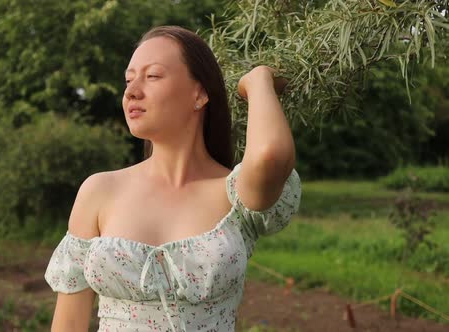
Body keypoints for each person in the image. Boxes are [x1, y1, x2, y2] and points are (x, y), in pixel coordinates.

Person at [44, 25, 301, 332]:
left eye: (152, 76)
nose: (131, 91)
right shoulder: (100, 191)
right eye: (128, 80)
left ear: (200, 92)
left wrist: (258, 81)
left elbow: (271, 154)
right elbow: (69, 324)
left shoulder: (235, 194)